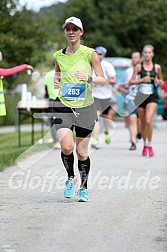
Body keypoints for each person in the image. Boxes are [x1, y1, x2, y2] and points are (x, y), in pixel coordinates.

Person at [52, 17, 108, 202]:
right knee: (66, 146)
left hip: (85, 108)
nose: (71, 32)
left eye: (75, 29)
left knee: (82, 152)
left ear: (81, 32)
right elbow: (57, 75)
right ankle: (70, 178)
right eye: (68, 29)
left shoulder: (89, 53)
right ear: (65, 32)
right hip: (63, 105)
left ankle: (83, 187)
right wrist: (57, 81)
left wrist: (88, 78)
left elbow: (102, 78)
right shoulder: (58, 55)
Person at [129, 45, 163, 157]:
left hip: (152, 96)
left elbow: (161, 80)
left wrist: (159, 81)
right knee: (142, 123)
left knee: (149, 121)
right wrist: (141, 80)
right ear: (143, 54)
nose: (147, 54)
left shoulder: (157, 67)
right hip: (140, 97)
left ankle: (150, 144)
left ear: (152, 54)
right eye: (145, 52)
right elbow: (131, 82)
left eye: (149, 52)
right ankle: (144, 144)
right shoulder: (139, 67)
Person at [91, 46, 117, 149]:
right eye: (96, 53)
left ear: (104, 55)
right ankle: (95, 140)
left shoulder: (108, 66)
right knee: (95, 118)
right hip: (94, 95)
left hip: (106, 96)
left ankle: (106, 131)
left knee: (106, 118)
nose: (98, 56)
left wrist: (100, 80)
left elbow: (113, 80)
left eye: (100, 54)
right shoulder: (91, 65)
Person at [124, 51, 141, 150]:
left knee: (141, 122)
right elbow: (126, 84)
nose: (134, 59)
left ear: (140, 58)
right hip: (131, 98)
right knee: (132, 119)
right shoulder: (128, 71)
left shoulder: (144, 70)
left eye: (136, 57)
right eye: (132, 57)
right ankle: (133, 142)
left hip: (142, 98)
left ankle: (140, 132)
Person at [44, 60, 61, 149]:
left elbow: (46, 90)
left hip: (51, 100)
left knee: (52, 122)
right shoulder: (63, 74)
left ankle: (56, 142)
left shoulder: (48, 75)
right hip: (61, 100)